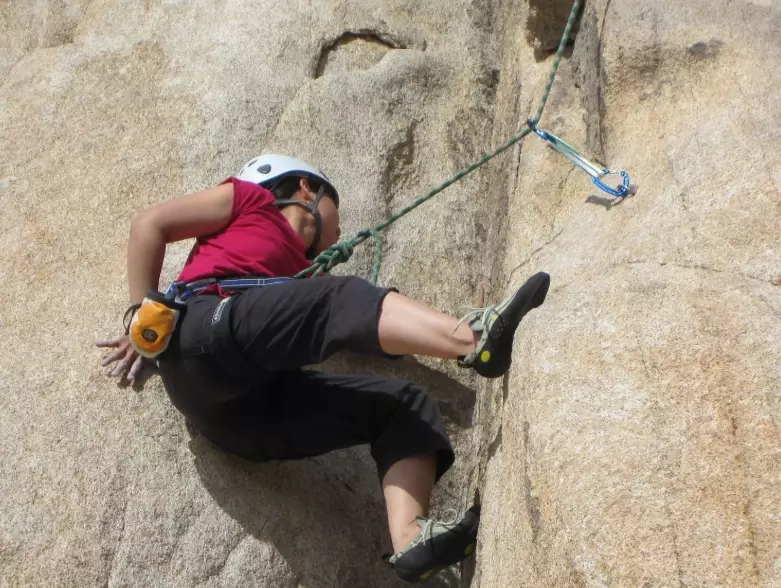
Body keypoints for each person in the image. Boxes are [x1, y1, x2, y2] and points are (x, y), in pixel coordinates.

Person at [96, 154, 550, 583]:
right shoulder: (251, 201)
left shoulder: (303, 279)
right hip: (204, 328)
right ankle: (474, 339)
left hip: (240, 418)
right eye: (336, 207)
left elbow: (343, 323)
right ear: (305, 188)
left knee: (403, 404)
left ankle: (411, 539)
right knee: (340, 294)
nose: (340, 228)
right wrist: (141, 315)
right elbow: (149, 224)